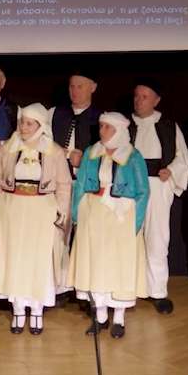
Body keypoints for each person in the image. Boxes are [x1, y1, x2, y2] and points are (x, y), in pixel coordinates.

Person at [0, 104, 69, 334]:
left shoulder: (53, 151)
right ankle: (17, 308)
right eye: (21, 122)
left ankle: (36, 309)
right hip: (13, 209)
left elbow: (64, 184)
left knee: (38, 260)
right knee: (15, 258)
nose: (23, 127)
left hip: (41, 210)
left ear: (40, 126)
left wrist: (60, 211)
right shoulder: (9, 148)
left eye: (29, 124)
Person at [70, 112, 149, 337]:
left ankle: (119, 319)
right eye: (101, 126)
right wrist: (77, 213)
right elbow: (81, 184)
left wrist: (134, 222)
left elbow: (143, 191)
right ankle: (101, 317)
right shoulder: (92, 152)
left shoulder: (133, 156)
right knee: (97, 264)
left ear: (119, 130)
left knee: (118, 265)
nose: (102, 131)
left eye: (107, 127)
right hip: (94, 213)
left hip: (121, 217)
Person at [129, 83, 188, 315]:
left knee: (157, 238)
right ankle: (128, 288)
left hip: (157, 185)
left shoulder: (168, 126)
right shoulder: (125, 125)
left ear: (156, 100)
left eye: (145, 97)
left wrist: (171, 170)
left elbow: (182, 157)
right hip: (130, 186)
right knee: (129, 236)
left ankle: (158, 291)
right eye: (137, 96)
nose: (139, 100)